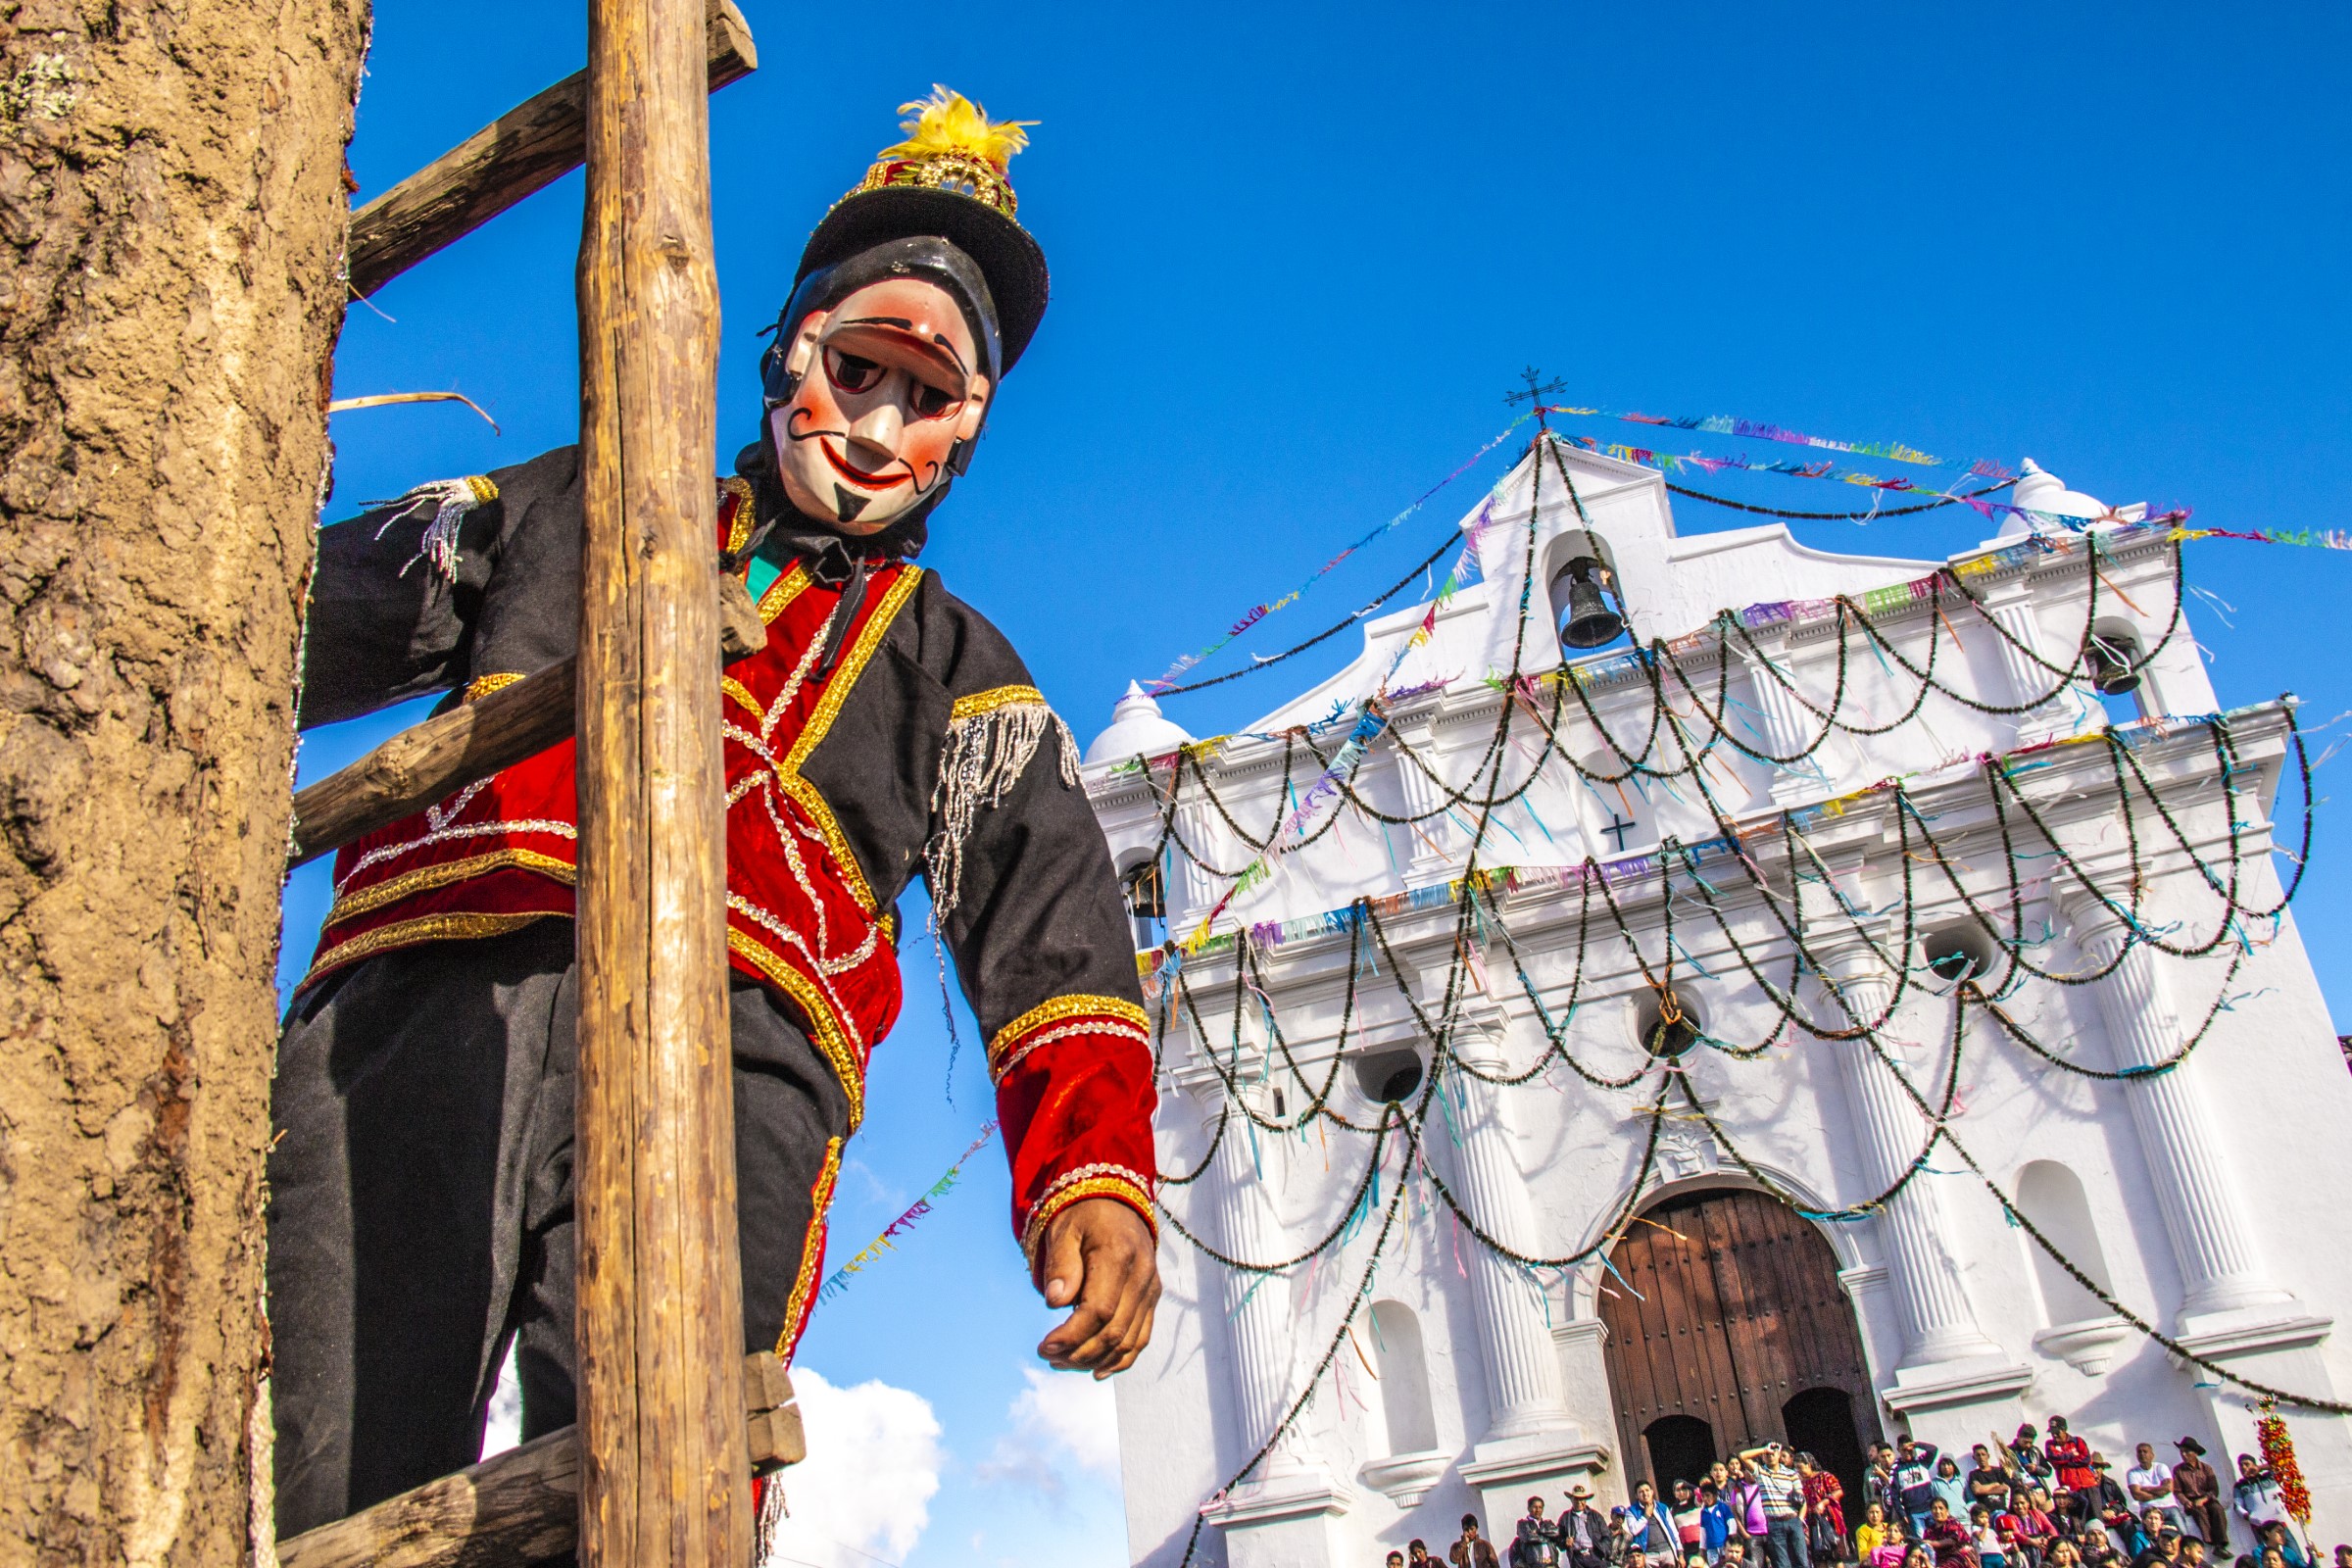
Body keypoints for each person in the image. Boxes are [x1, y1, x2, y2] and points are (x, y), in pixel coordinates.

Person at [265, 86, 1160, 1539]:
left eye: (925, 400)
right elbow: (274, 611)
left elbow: (1050, 923)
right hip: (429, 995)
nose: (877, 424)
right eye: (857, 370)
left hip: (743, 1065)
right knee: (327, 1449)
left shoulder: (958, 668)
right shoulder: (564, 503)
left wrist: (1093, 1173)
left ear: (965, 436)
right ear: (785, 359)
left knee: (658, 1503)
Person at [1749, 1444, 1810, 1568]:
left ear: (1779, 1455)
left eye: (1773, 1453)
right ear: (1763, 1457)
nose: (1770, 1456)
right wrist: (1763, 1449)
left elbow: (1802, 1500)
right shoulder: (1760, 1473)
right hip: (1774, 1523)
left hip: (1793, 1520)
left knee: (1802, 1561)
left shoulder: (1791, 1474)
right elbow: (1742, 1456)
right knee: (1782, 1564)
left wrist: (1799, 1520)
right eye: (1767, 1454)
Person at [2172, 1440, 2228, 1552]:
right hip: (2191, 1501)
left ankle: (2221, 1542)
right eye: (2182, 1452)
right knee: (2199, 1510)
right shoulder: (2178, 1470)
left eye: (2187, 1452)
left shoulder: (2206, 1468)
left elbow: (2214, 1489)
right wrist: (2186, 1502)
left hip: (2207, 1498)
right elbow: (2178, 1491)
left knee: (2217, 1509)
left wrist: (2204, 1499)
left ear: (2195, 1453)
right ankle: (2210, 1542)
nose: (2184, 1455)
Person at [1803, 1451, 1848, 1566]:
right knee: (1819, 1557)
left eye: (1800, 1467)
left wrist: (1824, 1502)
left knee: (1835, 1555)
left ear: (1808, 1465)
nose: (1798, 1471)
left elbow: (1838, 1491)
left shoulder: (1824, 1476)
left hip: (1828, 1520)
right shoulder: (1800, 1482)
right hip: (1812, 1522)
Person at [1898, 1439, 1945, 1539]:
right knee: (1923, 1541)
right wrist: (1903, 1514)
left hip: (1930, 1508)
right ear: (1898, 1450)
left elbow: (1933, 1449)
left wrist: (1916, 1444)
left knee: (1938, 1536)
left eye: (1909, 1450)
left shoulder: (1922, 1462)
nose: (1907, 1452)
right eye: (1904, 1450)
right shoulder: (1896, 1469)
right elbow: (1894, 1495)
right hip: (1914, 1513)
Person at [2129, 1445, 2182, 1534]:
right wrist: (2160, 1492)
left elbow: (2169, 1488)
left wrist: (2146, 1489)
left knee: (2182, 1531)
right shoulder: (2132, 1473)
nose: (2142, 1454)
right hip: (2148, 1508)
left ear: (2152, 1455)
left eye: (2145, 1451)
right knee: (2153, 1535)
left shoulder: (2161, 1467)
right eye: (2139, 1452)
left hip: (2168, 1506)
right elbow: (2136, 1495)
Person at [1631, 1481, 1685, 1568]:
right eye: (1641, 1492)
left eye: (1647, 1490)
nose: (1645, 1494)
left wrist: (1680, 1553)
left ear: (1652, 1492)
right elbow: (1634, 1530)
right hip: (1648, 1554)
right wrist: (1646, 1515)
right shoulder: (1632, 1511)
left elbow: (1674, 1532)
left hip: (1667, 1551)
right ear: (1636, 1496)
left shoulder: (1663, 1508)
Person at [2232, 1457, 2287, 1541]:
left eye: (2246, 1464)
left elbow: (2282, 1464)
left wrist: (2260, 1468)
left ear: (2254, 1465)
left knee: (2292, 1550)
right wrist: (2250, 1517)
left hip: (2279, 1521)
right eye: (2241, 1465)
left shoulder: (2269, 1477)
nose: (2243, 1467)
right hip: (2260, 1526)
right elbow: (2237, 1506)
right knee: (2268, 1552)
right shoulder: (2240, 1486)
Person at [1559, 1486, 1613, 1568]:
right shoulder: (1566, 1517)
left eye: (1581, 1499)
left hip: (1595, 1555)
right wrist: (1565, 1542)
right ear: (1571, 1500)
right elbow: (1558, 1538)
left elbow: (1607, 1536)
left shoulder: (1595, 1516)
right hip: (1577, 1558)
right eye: (1576, 1499)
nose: (1579, 1502)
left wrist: (1602, 1551)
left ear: (1585, 1500)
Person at [1924, 1498, 1979, 1568]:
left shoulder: (1952, 1522)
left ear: (1947, 1510)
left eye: (1941, 1508)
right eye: (1934, 1508)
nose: (1938, 1511)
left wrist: (1932, 1543)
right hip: (1941, 1561)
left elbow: (1952, 1541)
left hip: (1961, 1557)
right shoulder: (1929, 1531)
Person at [2049, 1422, 2097, 1499]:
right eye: (2052, 1433)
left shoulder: (2077, 1441)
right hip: (2070, 1488)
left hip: (2089, 1484)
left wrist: (2065, 1462)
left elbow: (2086, 1459)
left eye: (2057, 1432)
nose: (2054, 1435)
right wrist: (2072, 1454)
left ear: (2064, 1430)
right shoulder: (2050, 1445)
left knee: (2095, 1511)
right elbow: (2055, 1459)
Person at [1518, 1495, 1563, 1568]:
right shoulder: (1523, 1524)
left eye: (1540, 1507)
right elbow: (1528, 1537)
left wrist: (1538, 1531)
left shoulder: (1548, 1523)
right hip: (1536, 1565)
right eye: (1535, 1507)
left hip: (1551, 1564)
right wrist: (1548, 1537)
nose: (1538, 1510)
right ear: (1529, 1508)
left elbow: (1556, 1532)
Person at [1972, 1445, 2018, 1513]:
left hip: (2001, 1509)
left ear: (1988, 1456)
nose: (1981, 1457)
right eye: (1978, 1455)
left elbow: (2004, 1488)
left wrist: (1983, 1490)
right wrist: (1995, 1485)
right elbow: (1977, 1490)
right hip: (1986, 1512)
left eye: (1983, 1454)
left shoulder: (1998, 1471)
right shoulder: (1974, 1474)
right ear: (1974, 1457)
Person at [1705, 1482, 1740, 1566]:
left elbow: (1731, 1523)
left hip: (1724, 1544)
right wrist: (1702, 1548)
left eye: (1708, 1495)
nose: (1706, 1498)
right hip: (1711, 1547)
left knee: (1728, 1564)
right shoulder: (1703, 1511)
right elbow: (1703, 1531)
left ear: (1715, 1495)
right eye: (1703, 1496)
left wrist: (1731, 1540)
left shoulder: (1723, 1507)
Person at [1673, 1478, 1708, 1559]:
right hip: (1687, 1548)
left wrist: (1688, 1485)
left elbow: (1700, 1492)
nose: (1681, 1492)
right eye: (1678, 1490)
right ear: (1674, 1493)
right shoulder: (1673, 1510)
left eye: (1683, 1489)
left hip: (1702, 1544)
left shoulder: (1696, 1502)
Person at [1974, 1504, 2009, 1568]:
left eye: (1986, 1517)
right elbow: (1980, 1538)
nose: (1985, 1520)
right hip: (1986, 1557)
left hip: (1998, 1556)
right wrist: (1985, 1528)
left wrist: (2007, 1561)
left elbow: (1998, 1547)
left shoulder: (1991, 1531)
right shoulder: (1975, 1528)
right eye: (1982, 1517)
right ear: (1974, 1518)